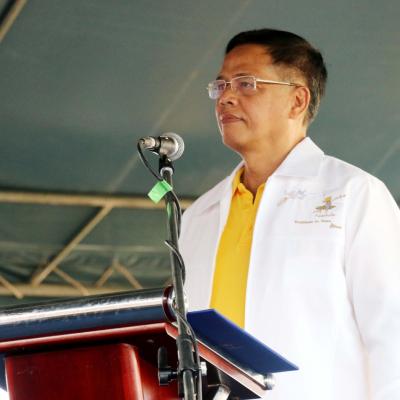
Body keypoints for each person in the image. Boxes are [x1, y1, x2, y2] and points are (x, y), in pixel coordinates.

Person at [179, 29, 400, 400]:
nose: (226, 97)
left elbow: (392, 331)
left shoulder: (353, 194)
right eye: (220, 86)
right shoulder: (199, 215)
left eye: (246, 84)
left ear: (297, 100)